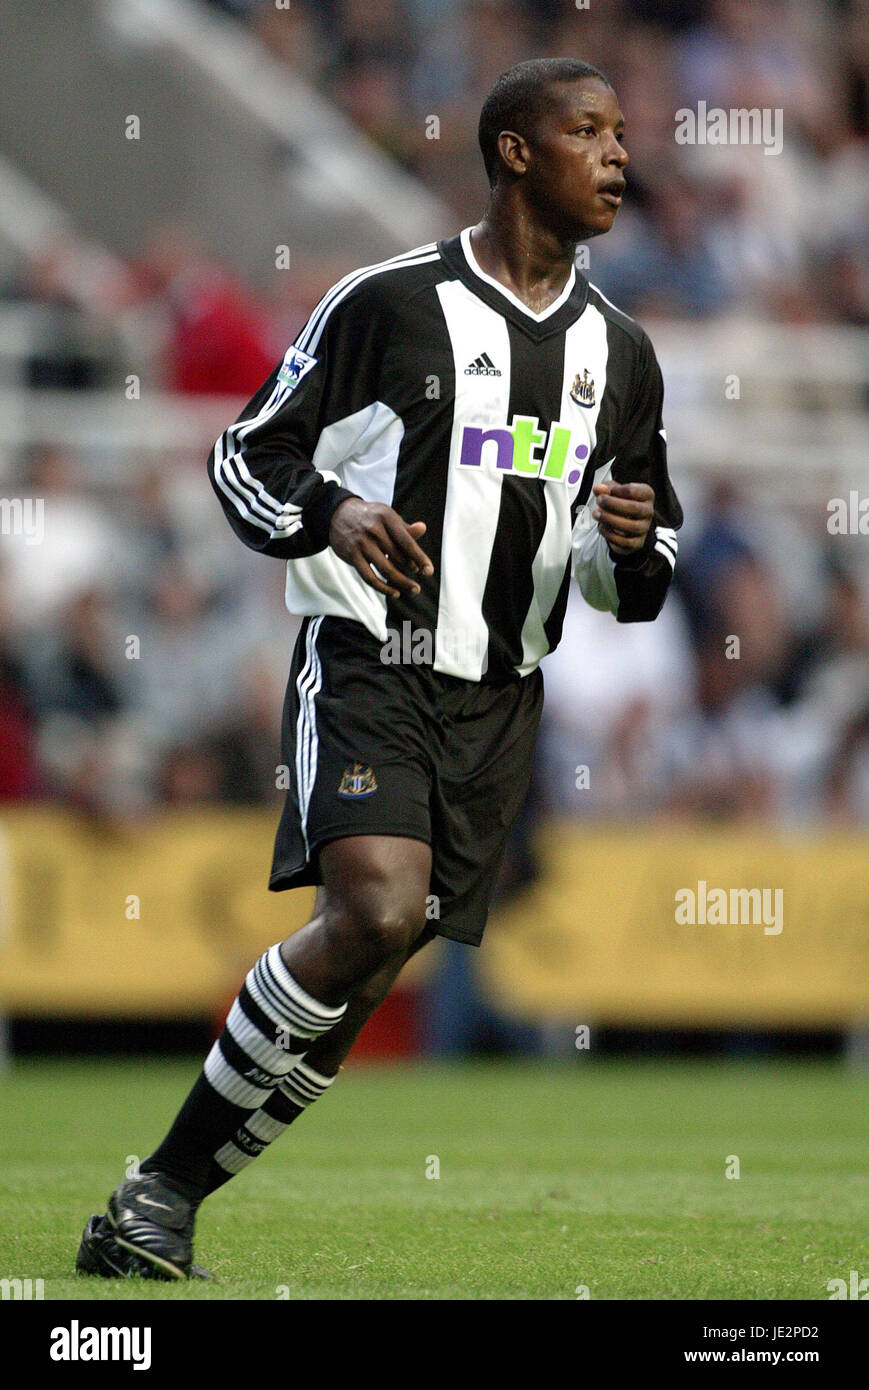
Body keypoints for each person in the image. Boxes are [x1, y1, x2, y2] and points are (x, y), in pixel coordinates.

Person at [77, 56, 682, 1280]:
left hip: (500, 695)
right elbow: (246, 454)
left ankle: (157, 1198)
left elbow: (646, 566)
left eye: (620, 132)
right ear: (514, 152)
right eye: (588, 129)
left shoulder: (619, 355)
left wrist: (630, 545)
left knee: (361, 969)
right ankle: (162, 1194)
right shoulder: (390, 303)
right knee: (375, 905)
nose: (619, 153)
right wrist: (331, 515)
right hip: (374, 659)